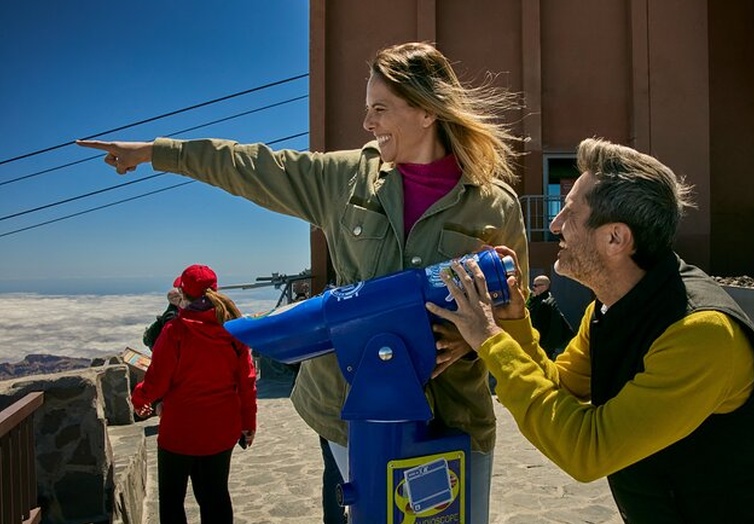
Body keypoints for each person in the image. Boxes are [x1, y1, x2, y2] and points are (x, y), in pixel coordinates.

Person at [78, 41, 529, 524]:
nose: (367, 123)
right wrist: (153, 152)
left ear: (426, 111)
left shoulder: (493, 206)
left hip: (453, 415)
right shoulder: (345, 180)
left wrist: (470, 340)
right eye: (366, 109)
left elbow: (517, 315)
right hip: (345, 414)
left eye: (380, 109)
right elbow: (250, 165)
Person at [426, 138, 754, 523]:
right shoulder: (609, 307)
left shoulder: (703, 334)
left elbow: (586, 449)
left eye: (568, 213)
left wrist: (489, 340)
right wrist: (515, 323)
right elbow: (559, 386)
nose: (555, 225)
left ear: (615, 238)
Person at [131, 264, 258, 524]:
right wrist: (248, 424)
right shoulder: (234, 330)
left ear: (183, 294)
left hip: (179, 433)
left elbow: (156, 381)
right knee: (216, 498)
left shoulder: (175, 331)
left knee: (172, 501)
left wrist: (139, 399)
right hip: (221, 431)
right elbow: (247, 382)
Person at [527, 274, 573, 359]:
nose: (534, 288)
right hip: (544, 346)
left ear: (544, 286)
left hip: (542, 345)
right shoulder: (545, 301)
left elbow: (540, 326)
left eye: (536, 285)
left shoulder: (544, 303)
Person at [142, 279, 183, 349]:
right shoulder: (171, 315)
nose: (175, 299)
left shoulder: (174, 310)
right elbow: (173, 339)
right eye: (174, 297)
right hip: (161, 347)